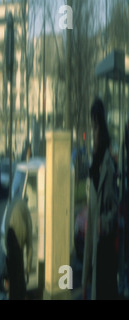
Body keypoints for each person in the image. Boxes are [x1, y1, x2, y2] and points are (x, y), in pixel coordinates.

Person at [82, 98, 119, 300]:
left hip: (104, 254)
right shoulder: (94, 168)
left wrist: (101, 223)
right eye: (92, 126)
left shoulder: (108, 168)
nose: (92, 134)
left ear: (101, 130)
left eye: (95, 127)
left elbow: (114, 211)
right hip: (94, 253)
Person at [5, 199, 33, 300]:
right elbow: (30, 245)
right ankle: (21, 296)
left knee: (13, 277)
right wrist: (28, 267)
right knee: (19, 276)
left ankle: (13, 296)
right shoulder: (27, 214)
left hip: (9, 237)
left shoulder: (14, 205)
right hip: (17, 243)